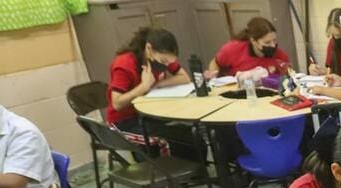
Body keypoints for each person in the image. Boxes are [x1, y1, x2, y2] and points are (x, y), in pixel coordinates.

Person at [104, 27, 200, 160]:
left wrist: (156, 84)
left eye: (168, 62)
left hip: (147, 115)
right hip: (124, 122)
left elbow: (184, 78)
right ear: (149, 49)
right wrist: (144, 86)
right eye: (163, 62)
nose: (165, 65)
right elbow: (117, 103)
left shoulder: (161, 58)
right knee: (168, 140)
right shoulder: (124, 64)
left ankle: (196, 174)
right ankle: (170, 178)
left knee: (191, 134)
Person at [205, 16, 292, 79]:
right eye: (267, 42)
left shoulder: (281, 57)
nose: (273, 45)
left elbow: (288, 78)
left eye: (275, 40)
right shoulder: (233, 49)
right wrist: (213, 76)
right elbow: (215, 62)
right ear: (253, 41)